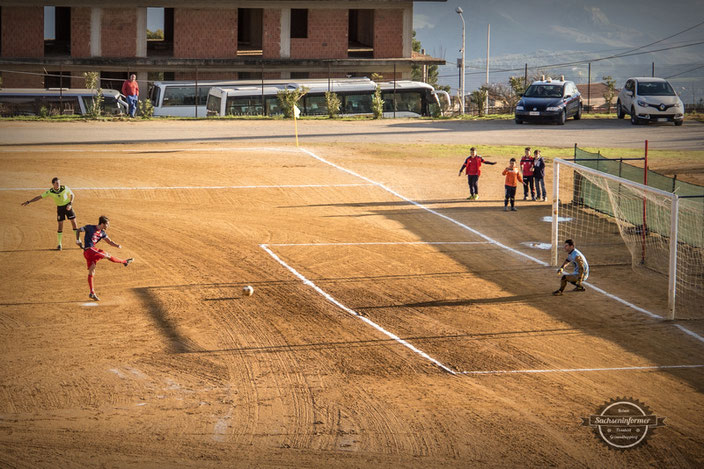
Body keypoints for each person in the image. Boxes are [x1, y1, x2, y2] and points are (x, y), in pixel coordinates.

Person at [76, 215, 133, 301]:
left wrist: (117, 245)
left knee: (92, 271)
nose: (108, 226)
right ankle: (124, 261)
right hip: (90, 250)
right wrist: (78, 240)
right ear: (102, 224)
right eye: (107, 224)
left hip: (89, 253)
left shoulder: (102, 233)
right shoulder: (89, 227)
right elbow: (78, 230)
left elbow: (109, 242)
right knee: (107, 255)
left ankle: (92, 292)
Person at [21, 177, 78, 250]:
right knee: (60, 225)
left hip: (68, 206)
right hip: (60, 208)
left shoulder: (64, 188)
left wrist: (70, 203)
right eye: (57, 183)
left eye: (59, 183)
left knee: (74, 223)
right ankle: (59, 244)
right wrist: (29, 201)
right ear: (53, 184)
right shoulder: (50, 191)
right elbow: (40, 197)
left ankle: (78, 240)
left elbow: (72, 195)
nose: (59, 185)